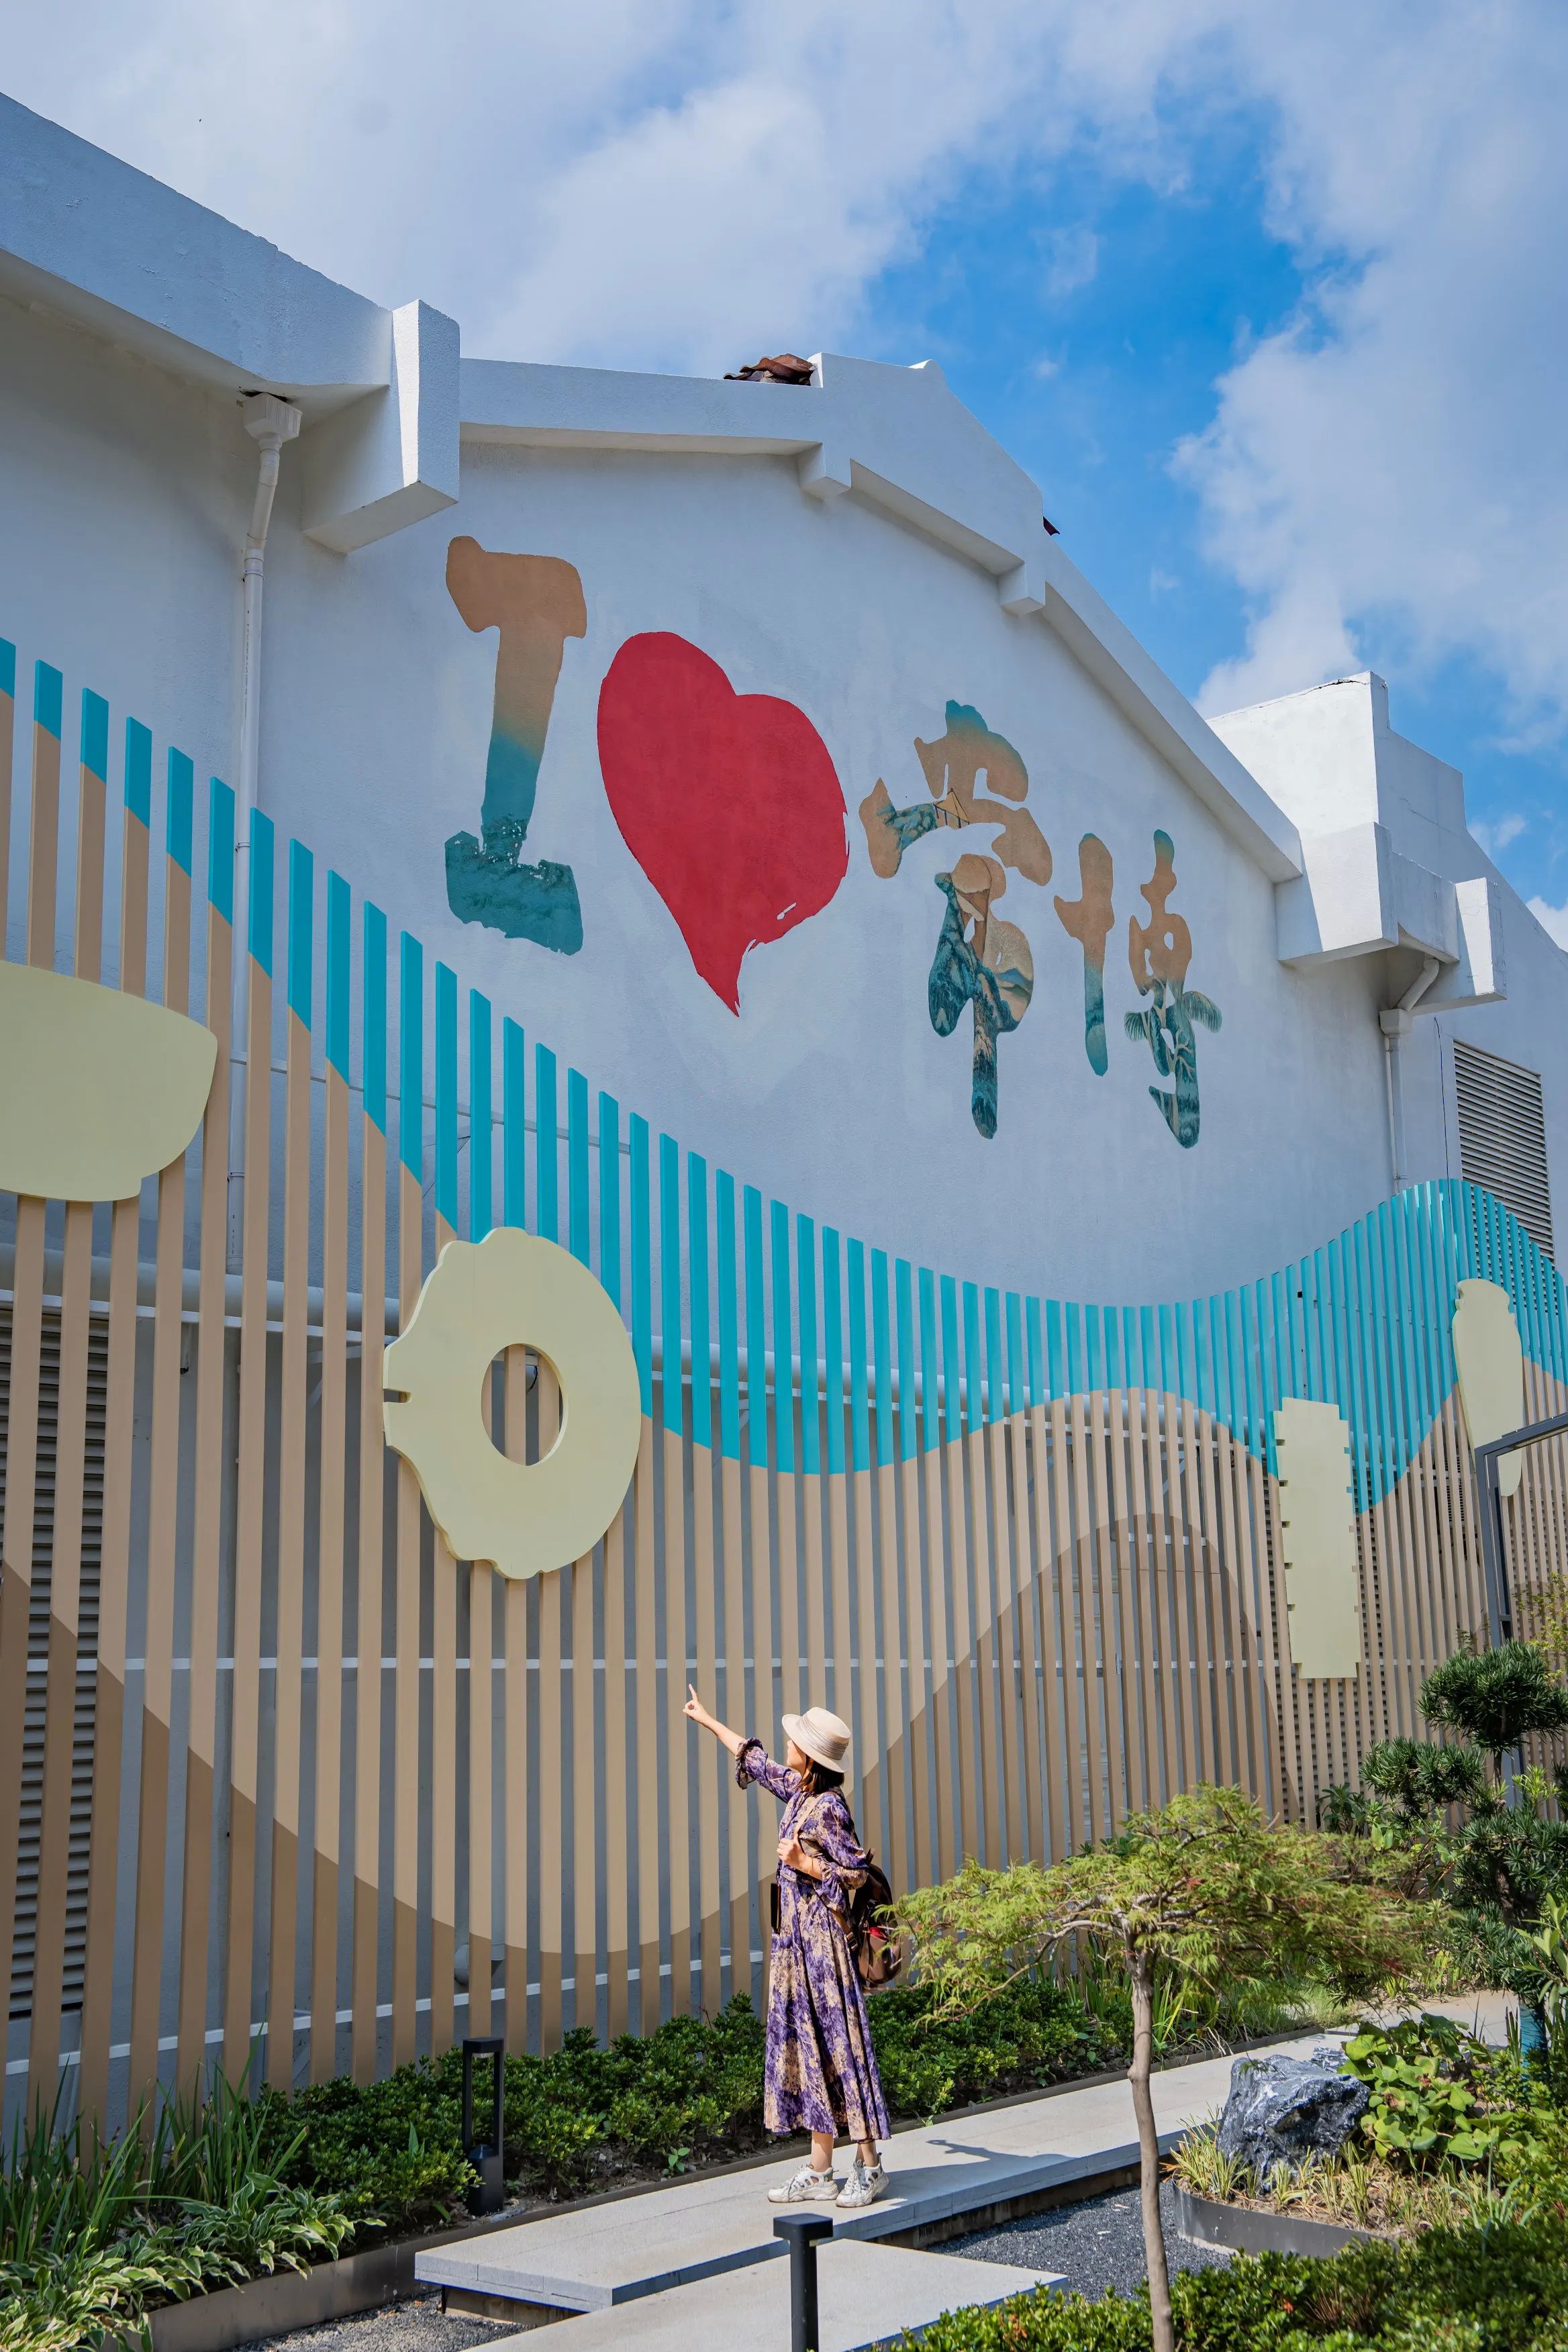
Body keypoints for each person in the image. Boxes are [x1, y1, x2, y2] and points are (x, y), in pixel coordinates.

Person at [685, 1687, 891, 2208]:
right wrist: (708, 1719)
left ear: (812, 1757)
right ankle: (821, 2170)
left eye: (795, 1741)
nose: (787, 1745)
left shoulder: (829, 1809)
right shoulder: (800, 1793)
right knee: (811, 2049)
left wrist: (806, 1864)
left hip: (825, 1950)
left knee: (841, 2049)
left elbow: (857, 1874)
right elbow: (754, 1761)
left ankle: (870, 2166)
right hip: (795, 1947)